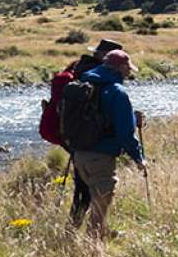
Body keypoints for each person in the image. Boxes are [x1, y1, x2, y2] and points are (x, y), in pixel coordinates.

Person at [41, 38, 124, 226]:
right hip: (87, 137)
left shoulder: (77, 67)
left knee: (83, 184)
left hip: (70, 133)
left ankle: (77, 228)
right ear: (104, 57)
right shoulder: (96, 74)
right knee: (87, 188)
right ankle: (80, 229)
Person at [70, 49, 147, 240]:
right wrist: (139, 158)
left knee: (95, 200)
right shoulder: (117, 92)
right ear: (120, 68)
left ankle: (90, 235)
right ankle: (92, 251)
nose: (129, 73)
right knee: (100, 207)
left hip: (79, 155)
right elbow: (125, 133)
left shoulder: (84, 84)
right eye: (128, 69)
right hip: (101, 157)